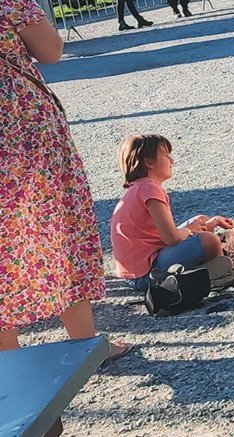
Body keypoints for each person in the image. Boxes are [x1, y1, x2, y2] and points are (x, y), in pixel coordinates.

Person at [0, 0, 131, 360]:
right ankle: (84, 346)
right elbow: (51, 51)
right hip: (24, 131)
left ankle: (8, 361)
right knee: (59, 228)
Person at [110, 134, 234, 291]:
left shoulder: (139, 188)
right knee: (209, 240)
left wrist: (206, 224)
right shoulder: (149, 189)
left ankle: (208, 259)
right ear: (149, 162)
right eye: (166, 155)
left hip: (137, 271)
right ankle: (219, 252)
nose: (172, 160)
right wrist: (191, 230)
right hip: (147, 275)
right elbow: (171, 238)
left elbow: (163, 236)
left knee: (201, 220)